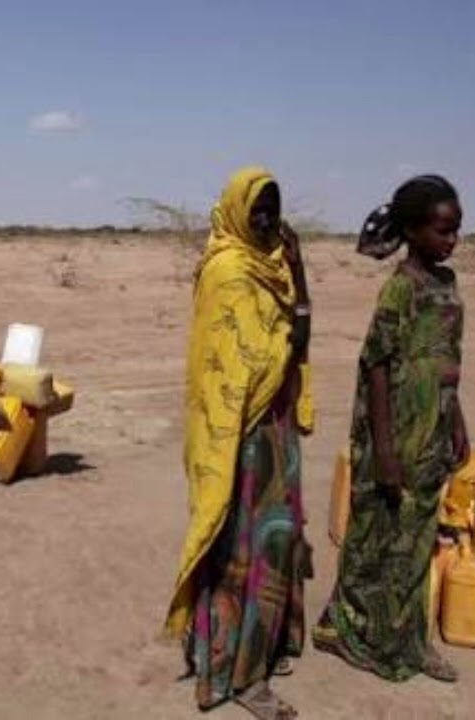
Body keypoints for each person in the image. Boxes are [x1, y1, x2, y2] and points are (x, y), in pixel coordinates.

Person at [165, 166, 315, 719]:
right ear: (234, 209)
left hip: (275, 431)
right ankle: (231, 670)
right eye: (257, 208)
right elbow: (233, 365)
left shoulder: (275, 267)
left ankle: (258, 651)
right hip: (236, 437)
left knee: (275, 545)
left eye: (273, 208)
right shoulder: (226, 270)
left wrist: (300, 270)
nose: (268, 219)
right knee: (235, 550)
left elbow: (297, 339)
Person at [312, 174, 469, 683]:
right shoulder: (401, 288)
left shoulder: (446, 285)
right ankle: (349, 630)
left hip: (433, 430)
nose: (452, 240)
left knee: (419, 541)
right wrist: (383, 447)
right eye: (443, 230)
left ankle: (408, 639)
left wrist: (458, 421)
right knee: (375, 537)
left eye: (456, 230)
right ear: (414, 230)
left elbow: (447, 361)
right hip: (395, 432)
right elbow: (377, 364)